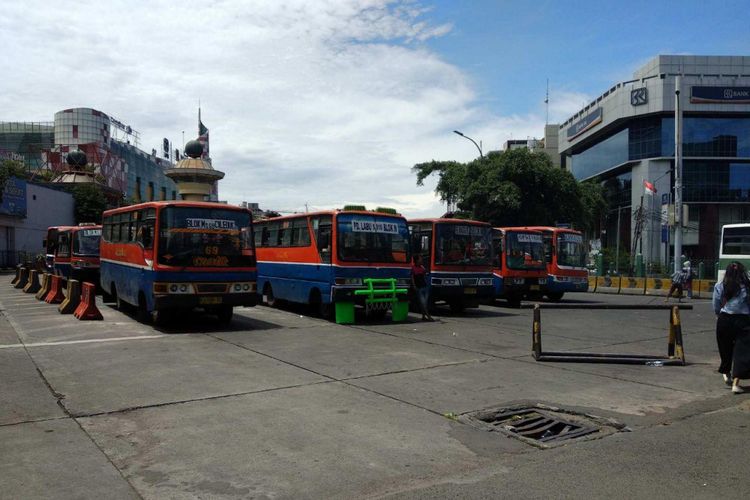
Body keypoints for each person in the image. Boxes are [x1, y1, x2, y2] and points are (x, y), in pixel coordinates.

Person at [712, 261, 750, 394]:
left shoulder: (720, 285)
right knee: (742, 353)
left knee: (725, 348)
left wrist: (718, 315)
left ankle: (725, 371)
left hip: (724, 319)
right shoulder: (746, 286)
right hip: (744, 320)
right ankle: (736, 383)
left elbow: (716, 304)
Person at [411, 254, 434, 321]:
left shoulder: (422, 267)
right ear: (417, 260)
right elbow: (412, 278)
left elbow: (425, 275)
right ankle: (428, 316)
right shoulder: (413, 268)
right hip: (419, 288)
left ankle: (423, 316)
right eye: (420, 259)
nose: (422, 260)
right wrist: (414, 286)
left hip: (425, 287)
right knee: (423, 303)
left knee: (425, 303)